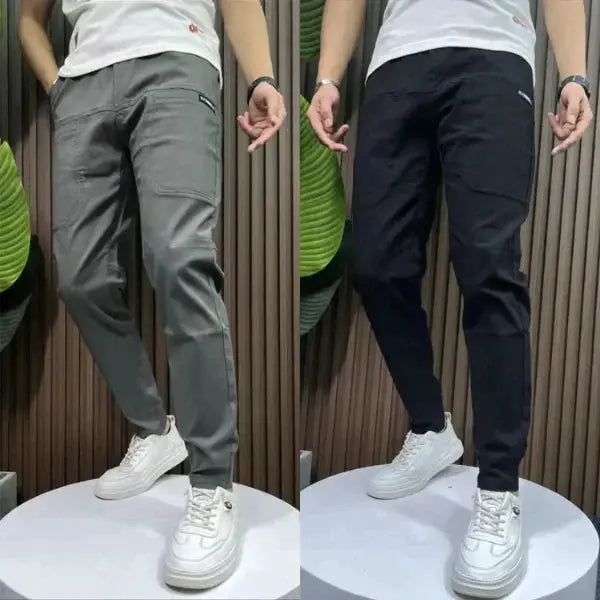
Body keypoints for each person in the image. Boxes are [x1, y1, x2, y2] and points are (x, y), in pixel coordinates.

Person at [307, 0, 593, 597]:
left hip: (493, 56)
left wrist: (575, 73)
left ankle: (498, 490)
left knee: (489, 268)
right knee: (377, 265)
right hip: (395, 65)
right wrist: (329, 78)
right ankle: (431, 428)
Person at [19, 0, 286, 590]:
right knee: (81, 278)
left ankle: (212, 484)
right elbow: (29, 20)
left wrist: (261, 77)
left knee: (179, 258)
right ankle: (154, 429)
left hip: (176, 61)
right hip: (82, 86)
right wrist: (57, 86)